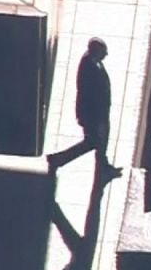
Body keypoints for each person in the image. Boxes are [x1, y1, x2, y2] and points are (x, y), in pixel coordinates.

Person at [47, 38, 123, 178]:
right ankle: (58, 159)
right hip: (93, 113)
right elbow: (89, 93)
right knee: (93, 142)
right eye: (103, 51)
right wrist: (93, 115)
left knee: (99, 142)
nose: (106, 55)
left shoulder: (94, 62)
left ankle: (103, 167)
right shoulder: (89, 65)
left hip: (99, 112)